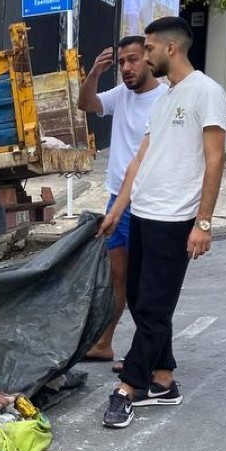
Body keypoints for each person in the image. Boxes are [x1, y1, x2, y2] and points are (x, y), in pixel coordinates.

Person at [97, 16, 226, 429]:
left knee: (155, 305)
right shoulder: (165, 97)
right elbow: (141, 158)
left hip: (175, 218)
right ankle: (164, 378)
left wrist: (203, 223)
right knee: (140, 298)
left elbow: (215, 159)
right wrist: (117, 209)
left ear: (171, 48)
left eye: (150, 48)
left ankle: (129, 387)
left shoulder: (206, 92)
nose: (146, 55)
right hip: (143, 213)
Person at [77, 34, 168, 368]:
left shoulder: (165, 99)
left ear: (149, 59)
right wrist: (93, 74)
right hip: (117, 199)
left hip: (147, 201)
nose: (126, 68)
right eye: (121, 62)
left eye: (133, 59)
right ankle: (105, 343)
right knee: (117, 276)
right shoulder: (121, 95)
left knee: (144, 281)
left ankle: (146, 353)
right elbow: (85, 104)